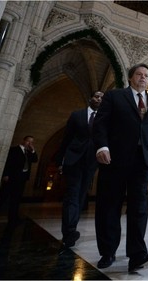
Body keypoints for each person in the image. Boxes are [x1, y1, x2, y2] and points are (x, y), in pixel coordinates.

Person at [92, 63, 148, 272]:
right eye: (139, 74)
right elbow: (100, 124)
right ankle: (108, 251)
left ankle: (137, 255)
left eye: (146, 75)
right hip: (115, 159)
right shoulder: (114, 96)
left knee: (139, 208)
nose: (143, 77)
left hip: (142, 162)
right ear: (131, 77)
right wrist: (102, 147)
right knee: (109, 206)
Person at [55, 91, 104, 250]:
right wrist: (60, 160)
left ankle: (71, 229)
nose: (99, 99)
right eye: (97, 96)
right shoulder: (77, 115)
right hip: (74, 159)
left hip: (91, 162)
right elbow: (66, 138)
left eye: (102, 98)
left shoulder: (104, 118)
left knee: (81, 195)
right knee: (72, 195)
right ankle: (68, 232)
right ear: (91, 99)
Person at [0, 136, 38, 226]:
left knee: (16, 199)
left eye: (32, 142)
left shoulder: (29, 152)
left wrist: (33, 150)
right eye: (28, 141)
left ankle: (13, 218)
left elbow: (35, 160)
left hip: (22, 178)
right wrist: (6, 174)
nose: (30, 144)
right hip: (12, 177)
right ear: (24, 140)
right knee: (3, 196)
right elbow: (8, 162)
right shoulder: (14, 150)